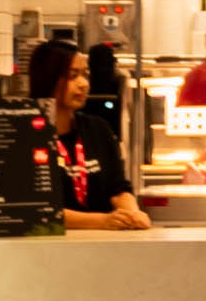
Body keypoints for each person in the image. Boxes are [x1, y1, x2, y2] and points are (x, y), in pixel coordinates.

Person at [21, 34, 146, 231]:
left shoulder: (98, 129)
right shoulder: (25, 135)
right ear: (48, 78)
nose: (84, 83)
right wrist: (102, 222)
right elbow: (35, 209)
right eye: (73, 76)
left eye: (85, 74)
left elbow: (118, 188)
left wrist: (132, 214)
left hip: (102, 247)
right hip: (47, 251)